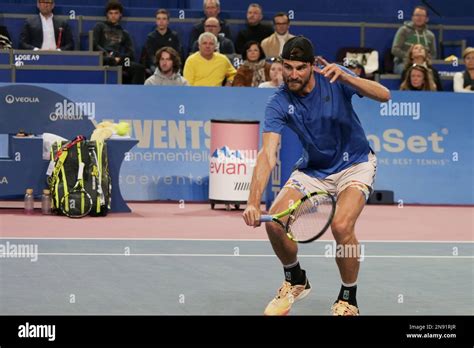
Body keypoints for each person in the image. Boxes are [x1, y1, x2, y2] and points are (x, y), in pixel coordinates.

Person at [242, 36, 390, 316]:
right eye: (287, 67)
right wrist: (252, 201)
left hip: (355, 164)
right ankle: (295, 279)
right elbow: (268, 154)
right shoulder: (278, 101)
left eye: (300, 67)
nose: (293, 74)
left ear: (312, 66)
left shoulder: (335, 78)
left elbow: (384, 95)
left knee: (342, 226)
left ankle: (348, 298)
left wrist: (349, 79)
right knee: (274, 223)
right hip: (314, 170)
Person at [93, 0, 145, 84]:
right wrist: (107, 55)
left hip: (119, 60)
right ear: (107, 14)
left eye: (116, 13)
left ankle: (135, 95)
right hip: (102, 58)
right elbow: (94, 44)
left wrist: (120, 58)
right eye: (111, 13)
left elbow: (130, 53)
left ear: (120, 14)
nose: (113, 16)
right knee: (106, 60)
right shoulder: (99, 26)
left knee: (139, 68)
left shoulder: (124, 33)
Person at [391, 5, 436, 74]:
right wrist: (411, 58)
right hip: (403, 63)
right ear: (412, 17)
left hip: (423, 63)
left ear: (427, 19)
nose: (419, 18)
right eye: (417, 15)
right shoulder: (403, 30)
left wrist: (423, 60)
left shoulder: (430, 36)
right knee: (410, 72)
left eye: (422, 16)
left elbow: (433, 55)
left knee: (433, 73)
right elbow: (395, 50)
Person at [143, 9, 183, 75]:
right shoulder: (150, 37)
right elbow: (150, 55)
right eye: (159, 19)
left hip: (171, 64)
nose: (161, 21)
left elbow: (177, 53)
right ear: (156, 21)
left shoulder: (174, 36)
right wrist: (161, 64)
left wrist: (169, 64)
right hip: (156, 65)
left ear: (168, 21)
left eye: (164, 19)